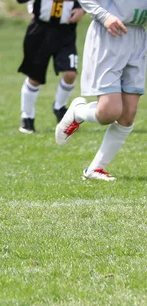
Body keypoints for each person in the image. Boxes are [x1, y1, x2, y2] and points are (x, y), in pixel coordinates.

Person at [55, 0, 147, 181]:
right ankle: (78, 111)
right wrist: (104, 16)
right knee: (109, 113)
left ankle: (95, 169)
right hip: (109, 35)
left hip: (138, 38)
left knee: (128, 114)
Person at [16, 0, 85, 134]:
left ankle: (60, 108)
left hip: (66, 32)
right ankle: (27, 117)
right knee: (35, 78)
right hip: (40, 30)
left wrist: (82, 9)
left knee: (70, 74)